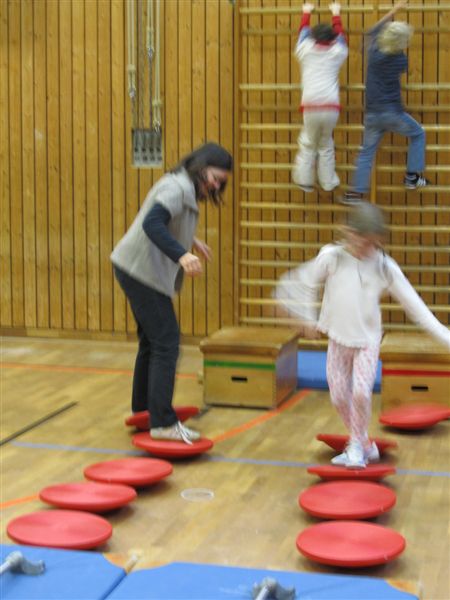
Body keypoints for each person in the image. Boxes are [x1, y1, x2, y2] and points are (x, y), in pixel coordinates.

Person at [275, 202, 450, 468]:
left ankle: (356, 446)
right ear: (348, 232)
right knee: (338, 397)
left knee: (360, 393)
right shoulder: (332, 257)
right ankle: (365, 444)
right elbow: (302, 282)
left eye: (372, 242)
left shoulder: (384, 267)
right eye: (362, 239)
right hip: (338, 339)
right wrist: (306, 317)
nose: (366, 247)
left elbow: (419, 312)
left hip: (367, 341)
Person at [111, 143, 233, 444]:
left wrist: (190, 239)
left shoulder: (182, 185)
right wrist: (182, 254)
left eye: (221, 182)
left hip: (134, 268)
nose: (216, 186)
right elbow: (152, 223)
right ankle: (163, 423)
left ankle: (144, 411)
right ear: (200, 167)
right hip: (141, 272)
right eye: (215, 178)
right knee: (167, 343)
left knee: (152, 342)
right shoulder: (177, 188)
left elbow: (167, 221)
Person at [343, 0, 429, 204]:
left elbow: (373, 30)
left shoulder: (373, 52)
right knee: (418, 134)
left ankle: (355, 193)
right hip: (392, 113)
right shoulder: (400, 60)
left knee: (366, 152)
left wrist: (395, 9)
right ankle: (412, 177)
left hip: (372, 114)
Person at [292, 2, 348, 193]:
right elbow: (341, 36)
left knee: (308, 143)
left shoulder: (305, 50)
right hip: (331, 106)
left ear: (313, 37)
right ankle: (328, 182)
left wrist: (306, 12)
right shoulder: (338, 51)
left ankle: (304, 181)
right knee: (326, 144)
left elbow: (303, 31)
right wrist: (336, 13)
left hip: (310, 106)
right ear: (332, 38)